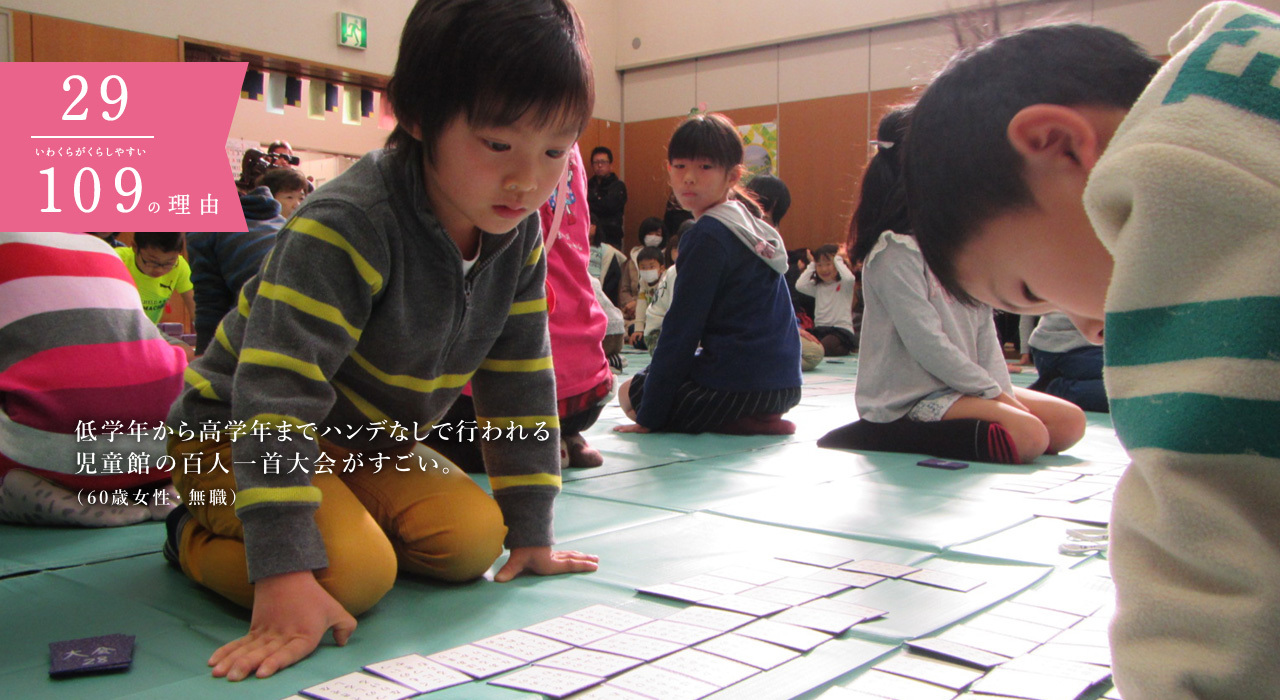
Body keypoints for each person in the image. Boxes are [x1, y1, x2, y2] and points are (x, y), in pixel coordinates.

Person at [163, 0, 599, 682]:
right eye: (497, 145)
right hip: (231, 429)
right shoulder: (347, 225)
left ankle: (323, 516)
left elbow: (518, 383)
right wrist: (279, 570)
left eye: (554, 150)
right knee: (354, 576)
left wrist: (533, 528)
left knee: (475, 541)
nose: (527, 180)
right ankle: (190, 531)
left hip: (362, 440)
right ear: (419, 116)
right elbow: (274, 398)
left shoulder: (515, 236)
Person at [902, 4, 1280, 696]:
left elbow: (1214, 536)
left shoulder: (1192, 198)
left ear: (1058, 143)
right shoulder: (1241, 78)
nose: (1085, 324)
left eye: (1029, 291)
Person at [850, 107, 1084, 464]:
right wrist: (995, 397)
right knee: (1029, 435)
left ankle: (992, 414)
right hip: (909, 398)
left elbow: (983, 331)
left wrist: (999, 391)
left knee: (1069, 423)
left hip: (963, 387)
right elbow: (927, 343)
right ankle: (884, 432)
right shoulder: (893, 252)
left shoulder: (958, 250)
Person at [421, 145, 614, 470]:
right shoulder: (568, 150)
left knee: (413, 432)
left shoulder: (492, 146)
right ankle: (566, 437)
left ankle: (532, 443)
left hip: (507, 402)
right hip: (586, 393)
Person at [616, 113, 802, 435]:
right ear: (669, 169)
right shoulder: (747, 222)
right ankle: (755, 416)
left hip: (741, 387)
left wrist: (650, 418)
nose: (689, 177)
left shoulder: (708, 235)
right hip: (784, 386)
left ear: (733, 175)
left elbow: (682, 329)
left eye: (704, 167)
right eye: (680, 166)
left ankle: (738, 420)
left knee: (628, 393)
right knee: (662, 378)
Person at [0, 232, 186, 526]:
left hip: (54, 454)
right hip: (169, 448)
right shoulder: (102, 249)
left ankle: (20, 488)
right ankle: (166, 488)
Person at [186, 184, 287, 354]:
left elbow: (210, 303)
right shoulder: (279, 221)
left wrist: (204, 357)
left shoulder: (205, 227)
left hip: (265, 321)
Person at [1026, 312, 1108, 412]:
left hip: (1088, 346)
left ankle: (1052, 389)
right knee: (1124, 389)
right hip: (1066, 347)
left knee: (1125, 385)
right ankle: (1052, 390)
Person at [116, 232, 196, 330]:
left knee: (181, 345)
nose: (159, 270)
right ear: (135, 247)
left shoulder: (179, 266)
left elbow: (196, 310)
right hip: (117, 331)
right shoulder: (117, 260)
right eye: (152, 262)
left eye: (168, 263)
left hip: (149, 332)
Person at [795, 244, 858, 356]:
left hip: (840, 331)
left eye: (829, 264)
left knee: (822, 348)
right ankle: (843, 348)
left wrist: (838, 258)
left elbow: (849, 278)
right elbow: (799, 285)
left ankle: (846, 346)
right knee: (800, 344)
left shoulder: (844, 285)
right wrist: (812, 264)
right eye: (820, 265)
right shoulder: (817, 287)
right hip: (820, 330)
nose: (824, 269)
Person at [619, 217, 665, 323]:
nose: (653, 237)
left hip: (654, 312)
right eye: (650, 233)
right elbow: (624, 289)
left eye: (657, 234)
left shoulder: (664, 260)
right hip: (630, 311)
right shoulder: (632, 260)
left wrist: (638, 303)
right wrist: (630, 304)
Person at [586, 146, 627, 249]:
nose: (599, 165)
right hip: (590, 239)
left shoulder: (618, 186)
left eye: (603, 162)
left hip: (612, 239)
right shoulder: (586, 185)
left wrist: (592, 201)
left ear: (610, 165)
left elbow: (609, 206)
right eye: (596, 162)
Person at [627, 245, 666, 350]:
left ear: (661, 268)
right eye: (643, 267)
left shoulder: (666, 281)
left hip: (663, 323)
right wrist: (638, 329)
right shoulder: (643, 282)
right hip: (649, 323)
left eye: (652, 267)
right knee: (632, 329)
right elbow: (641, 304)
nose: (647, 270)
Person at [587, 218, 626, 307]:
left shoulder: (606, 250)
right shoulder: (572, 247)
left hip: (599, 289)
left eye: (592, 223)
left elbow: (614, 275)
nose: (590, 226)